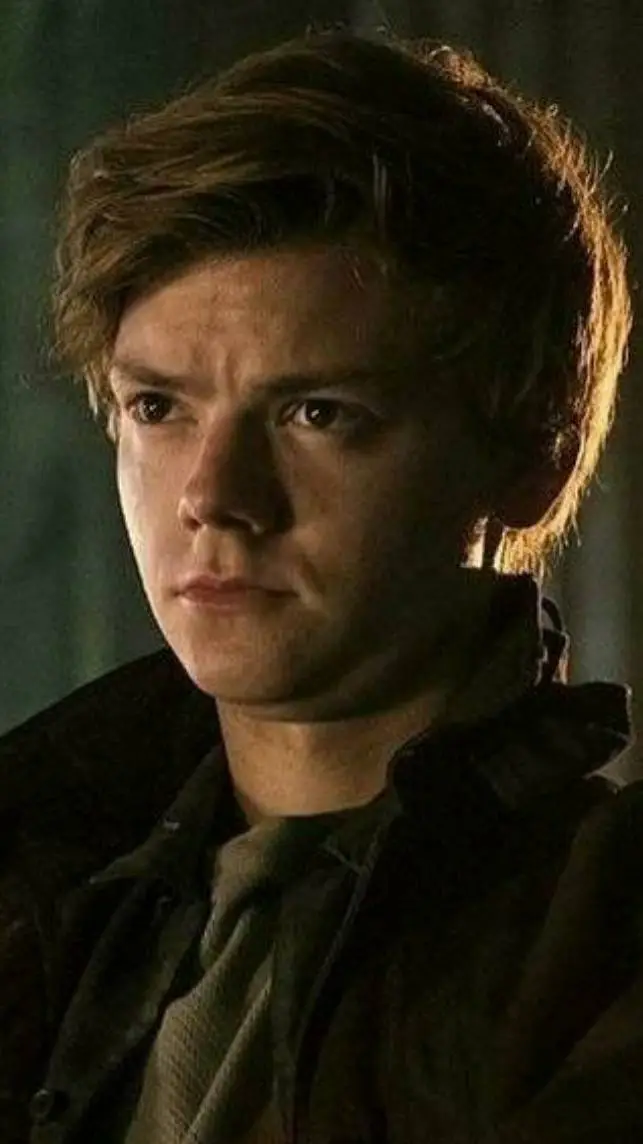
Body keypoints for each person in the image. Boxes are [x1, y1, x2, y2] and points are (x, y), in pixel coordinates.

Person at [1, 25, 641, 1144]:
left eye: (317, 413)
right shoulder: (34, 880)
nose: (213, 495)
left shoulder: (599, 944)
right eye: (159, 407)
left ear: (530, 452)